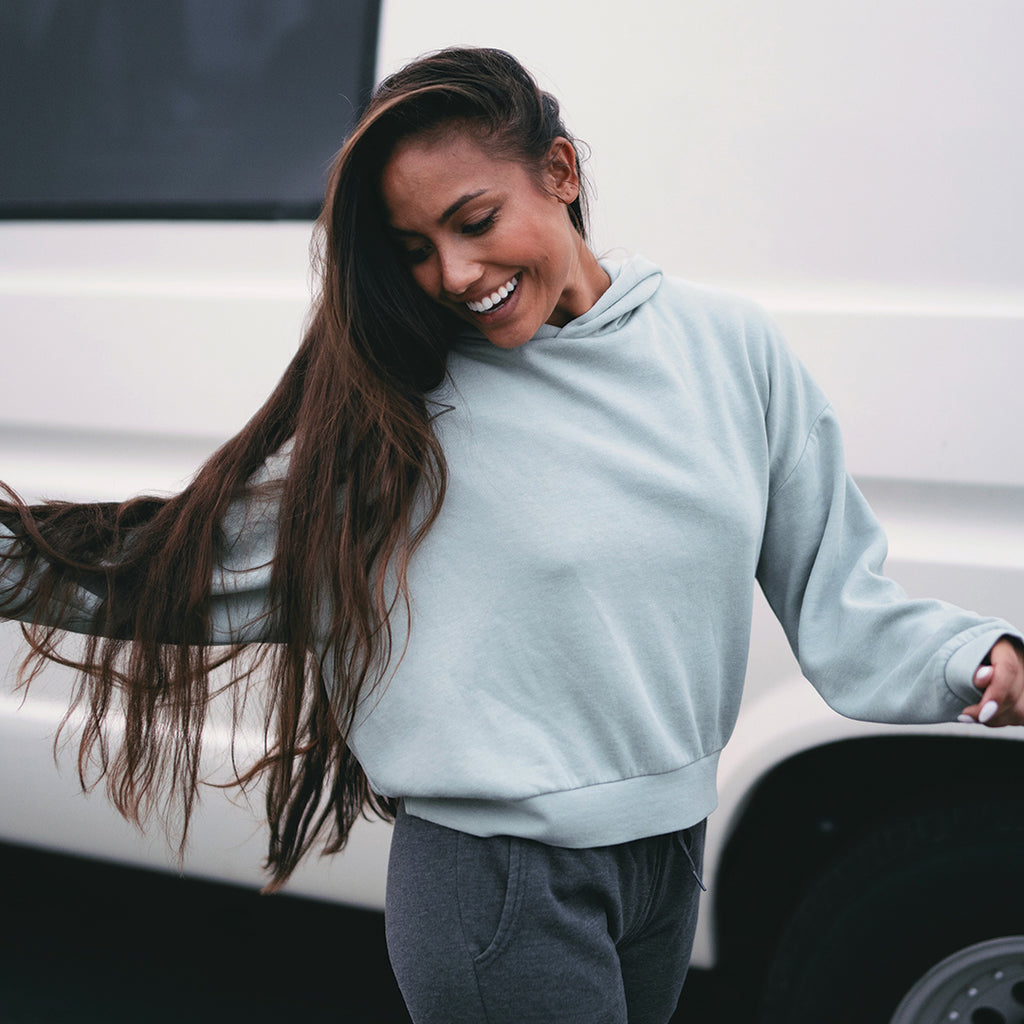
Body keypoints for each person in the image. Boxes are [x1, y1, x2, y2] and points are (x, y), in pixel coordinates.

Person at [1, 46, 1022, 1024]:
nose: (451, 272)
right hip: (494, 884)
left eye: (474, 220)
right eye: (414, 250)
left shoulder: (729, 346)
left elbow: (834, 589)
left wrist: (969, 656)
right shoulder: (406, 414)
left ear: (561, 171)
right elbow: (182, 567)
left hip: (666, 860)